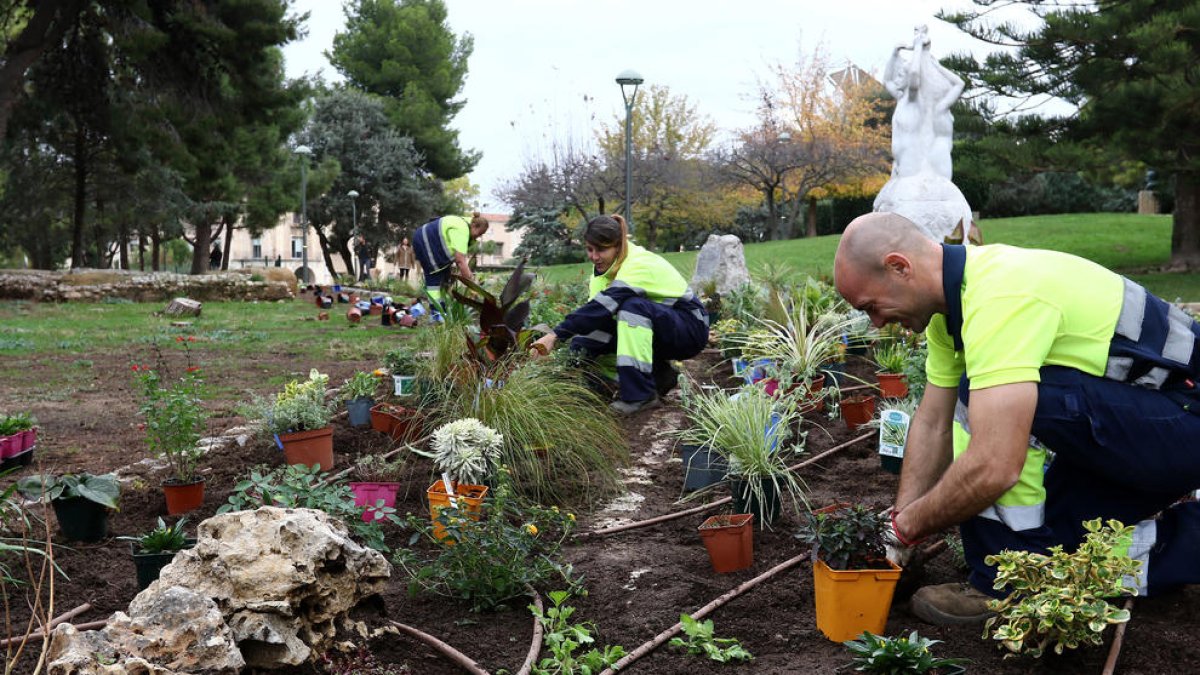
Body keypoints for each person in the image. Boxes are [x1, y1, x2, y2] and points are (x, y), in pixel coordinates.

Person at [833, 211, 1200, 625]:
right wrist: (900, 528)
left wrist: (904, 529)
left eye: (871, 307)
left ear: (900, 267)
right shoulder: (950, 314)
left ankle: (997, 586)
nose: (876, 323)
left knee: (985, 392)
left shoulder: (999, 297)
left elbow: (995, 463)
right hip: (1140, 424)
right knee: (1058, 556)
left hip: (1184, 420)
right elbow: (933, 421)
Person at [529, 214, 710, 415]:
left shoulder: (638, 264)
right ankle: (658, 376)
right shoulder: (601, 274)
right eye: (590, 249)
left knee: (632, 308)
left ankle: (640, 396)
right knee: (592, 332)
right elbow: (594, 318)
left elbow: (605, 306)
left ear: (619, 246)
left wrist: (555, 335)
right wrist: (565, 361)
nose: (594, 256)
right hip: (662, 329)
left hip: (690, 328)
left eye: (602, 250)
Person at [883, 25, 964, 181]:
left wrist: (918, 47)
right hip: (900, 163)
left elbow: (914, 74)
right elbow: (887, 81)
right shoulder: (901, 98)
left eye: (901, 75)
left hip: (911, 160)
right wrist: (894, 54)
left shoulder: (914, 100)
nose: (897, 77)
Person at [411, 212, 489, 311]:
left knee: (445, 277)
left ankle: (441, 307)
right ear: (474, 225)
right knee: (434, 277)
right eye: (480, 233)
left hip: (428, 240)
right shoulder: (462, 230)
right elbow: (460, 261)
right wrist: (472, 284)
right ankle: (437, 314)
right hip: (425, 243)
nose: (479, 236)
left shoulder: (467, 224)